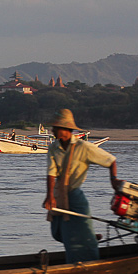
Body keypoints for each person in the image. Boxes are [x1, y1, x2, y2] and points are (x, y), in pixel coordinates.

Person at [42, 109, 119, 263]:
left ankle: (86, 254)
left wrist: (114, 180)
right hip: (59, 194)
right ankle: (89, 236)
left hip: (75, 197)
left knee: (75, 240)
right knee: (57, 232)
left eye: (55, 128)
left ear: (65, 129)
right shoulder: (53, 147)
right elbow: (51, 173)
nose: (52, 131)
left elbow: (111, 161)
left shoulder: (84, 147)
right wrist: (49, 195)